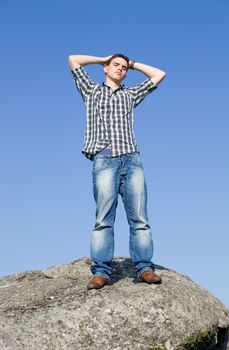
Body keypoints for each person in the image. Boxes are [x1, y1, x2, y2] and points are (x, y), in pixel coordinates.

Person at [68, 53, 166, 289]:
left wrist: (132, 64)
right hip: (104, 160)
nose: (121, 69)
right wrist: (103, 57)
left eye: (124, 68)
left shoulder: (130, 95)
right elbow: (73, 60)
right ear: (105, 68)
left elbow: (158, 74)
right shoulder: (91, 91)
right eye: (116, 65)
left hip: (131, 160)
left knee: (140, 219)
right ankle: (101, 272)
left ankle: (144, 268)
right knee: (103, 219)